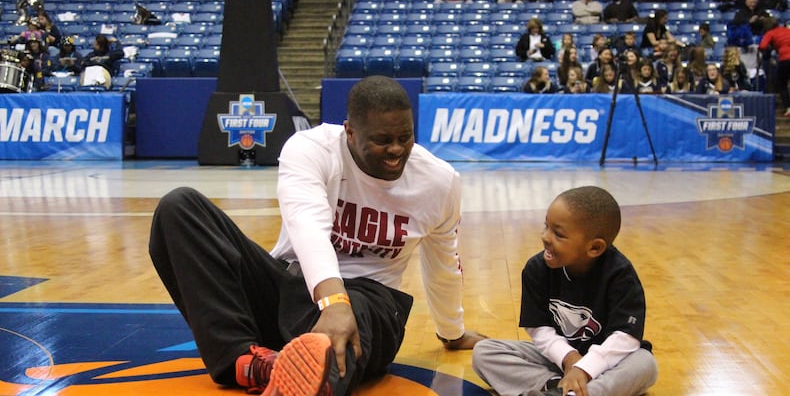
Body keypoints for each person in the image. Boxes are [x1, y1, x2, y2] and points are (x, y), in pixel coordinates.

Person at [148, 76, 488, 396]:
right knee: (179, 207)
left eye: (405, 137)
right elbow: (307, 224)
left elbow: (444, 263)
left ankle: (314, 380)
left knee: (357, 310)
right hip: (291, 288)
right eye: (383, 140)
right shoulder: (310, 149)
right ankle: (248, 362)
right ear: (350, 133)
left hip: (373, 300)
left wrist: (452, 332)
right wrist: (333, 301)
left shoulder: (440, 182)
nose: (397, 149)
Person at [472, 186, 658, 396]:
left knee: (645, 364)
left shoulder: (619, 274)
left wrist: (584, 369)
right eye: (546, 226)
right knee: (484, 352)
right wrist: (569, 359)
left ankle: (574, 392)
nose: (545, 237)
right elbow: (539, 329)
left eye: (558, 234)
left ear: (594, 248)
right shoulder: (536, 269)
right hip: (560, 360)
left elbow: (625, 337)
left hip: (608, 363)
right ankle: (558, 388)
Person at [758, 16, 790, 116]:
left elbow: (762, 46)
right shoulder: (786, 30)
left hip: (785, 59)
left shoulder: (770, 33)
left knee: (782, 84)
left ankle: (788, 107)